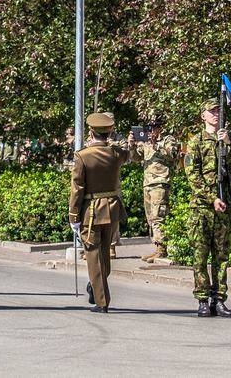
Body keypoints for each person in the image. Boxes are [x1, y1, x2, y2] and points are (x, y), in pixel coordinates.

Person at [70, 112, 129, 313]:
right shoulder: (116, 153)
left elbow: (77, 188)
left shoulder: (82, 156)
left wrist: (73, 216)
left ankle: (101, 301)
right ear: (109, 132)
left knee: (93, 256)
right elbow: (129, 154)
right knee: (104, 254)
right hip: (112, 209)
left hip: (91, 211)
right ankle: (97, 286)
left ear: (91, 131)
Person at [186, 98, 231, 318]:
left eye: (218, 110)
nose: (216, 114)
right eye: (212, 111)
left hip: (223, 206)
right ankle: (202, 299)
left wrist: (228, 144)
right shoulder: (196, 141)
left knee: (221, 256)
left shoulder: (225, 140)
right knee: (200, 256)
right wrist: (211, 198)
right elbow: (192, 175)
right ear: (203, 115)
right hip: (202, 208)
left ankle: (219, 299)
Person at [128, 114, 180, 263]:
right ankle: (157, 247)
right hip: (148, 183)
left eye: (154, 127)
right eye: (148, 127)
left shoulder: (167, 140)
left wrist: (156, 144)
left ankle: (162, 249)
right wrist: (131, 145)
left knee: (158, 216)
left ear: (160, 127)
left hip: (160, 182)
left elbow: (173, 154)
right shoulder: (145, 142)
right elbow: (136, 158)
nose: (150, 130)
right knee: (151, 217)